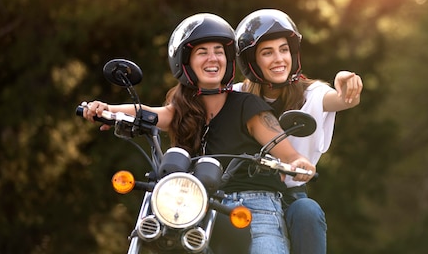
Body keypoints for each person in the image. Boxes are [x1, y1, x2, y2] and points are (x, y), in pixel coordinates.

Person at [82, 13, 316, 254]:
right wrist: (108, 110)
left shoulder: (248, 105)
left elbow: (286, 151)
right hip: (195, 208)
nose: (212, 58)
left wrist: (297, 161)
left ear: (228, 59)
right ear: (186, 62)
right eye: (202, 52)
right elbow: (149, 113)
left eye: (218, 51)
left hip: (254, 208)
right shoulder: (182, 109)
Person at [233, 9, 363, 254]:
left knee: (308, 211)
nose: (279, 58)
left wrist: (348, 84)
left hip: (290, 194)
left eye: (284, 50)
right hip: (241, 194)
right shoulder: (236, 95)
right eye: (267, 52)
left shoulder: (311, 93)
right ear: (251, 60)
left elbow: (342, 100)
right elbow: (183, 111)